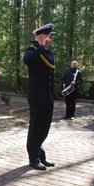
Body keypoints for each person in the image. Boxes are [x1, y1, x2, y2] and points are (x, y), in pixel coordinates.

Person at [23, 23, 56, 170]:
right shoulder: (33, 50)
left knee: (44, 128)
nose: (51, 39)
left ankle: (40, 154)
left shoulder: (50, 53)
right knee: (35, 128)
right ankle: (33, 158)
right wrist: (42, 46)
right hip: (37, 96)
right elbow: (27, 61)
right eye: (49, 36)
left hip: (47, 96)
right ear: (41, 37)